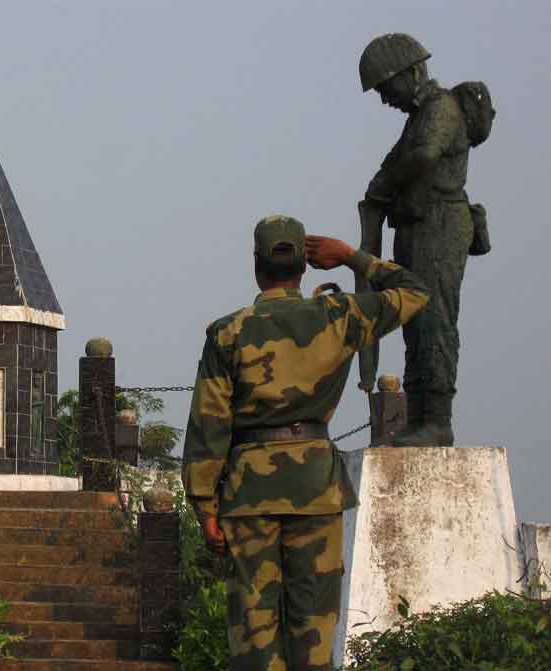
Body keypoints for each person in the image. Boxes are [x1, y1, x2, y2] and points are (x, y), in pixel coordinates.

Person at [182, 215, 429, 671]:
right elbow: (416, 290)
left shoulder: (228, 332)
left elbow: (209, 422)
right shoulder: (341, 315)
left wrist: (204, 505)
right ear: (304, 266)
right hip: (315, 488)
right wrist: (351, 256)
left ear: (257, 265)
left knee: (255, 637)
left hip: (248, 494)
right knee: (314, 631)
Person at [359, 33, 480, 446]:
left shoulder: (440, 109)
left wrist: (384, 184)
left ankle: (437, 419)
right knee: (413, 320)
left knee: (435, 321)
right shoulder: (419, 117)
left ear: (409, 73)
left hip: (439, 226)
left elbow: (425, 156)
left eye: (385, 87)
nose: (384, 98)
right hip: (416, 228)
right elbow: (397, 163)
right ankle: (421, 416)